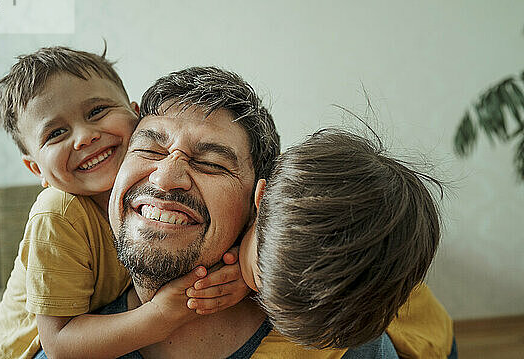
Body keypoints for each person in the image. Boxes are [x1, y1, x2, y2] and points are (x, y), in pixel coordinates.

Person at [104, 66, 454, 358]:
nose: (166, 178)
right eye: (149, 148)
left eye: (210, 163)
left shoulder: (338, 331)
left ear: (255, 203)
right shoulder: (69, 270)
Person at [0, 48, 249, 359]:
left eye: (97, 111)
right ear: (37, 169)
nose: (84, 137)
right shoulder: (57, 215)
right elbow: (59, 344)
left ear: (136, 116)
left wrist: (239, 274)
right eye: (56, 133)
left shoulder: (152, 195)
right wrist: (161, 315)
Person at [235, 128, 458, 357]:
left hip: (428, 346)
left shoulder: (340, 320)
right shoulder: (287, 192)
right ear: (261, 196)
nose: (260, 300)